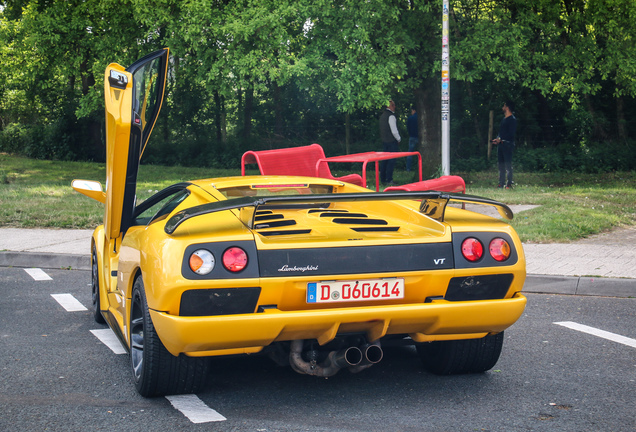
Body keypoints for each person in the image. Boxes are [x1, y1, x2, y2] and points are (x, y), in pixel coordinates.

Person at [492, 101, 517, 188]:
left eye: (504, 106)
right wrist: (498, 138)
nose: (502, 107)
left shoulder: (512, 120)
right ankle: (501, 183)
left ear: (507, 107)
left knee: (508, 164)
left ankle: (509, 183)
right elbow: (501, 132)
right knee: (500, 165)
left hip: (508, 144)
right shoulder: (503, 119)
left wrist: (501, 139)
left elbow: (511, 133)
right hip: (501, 145)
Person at [379, 99, 401, 185]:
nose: (394, 107)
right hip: (392, 141)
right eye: (392, 105)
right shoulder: (391, 116)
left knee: (384, 161)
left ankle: (383, 178)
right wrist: (399, 139)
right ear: (388, 106)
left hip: (385, 141)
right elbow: (394, 131)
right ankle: (389, 179)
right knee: (391, 161)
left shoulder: (383, 116)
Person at [406, 106, 418, 171]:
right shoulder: (420, 118)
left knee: (410, 153)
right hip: (419, 137)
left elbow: (408, 127)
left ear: (414, 110)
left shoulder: (410, 118)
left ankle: (408, 168)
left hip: (412, 137)